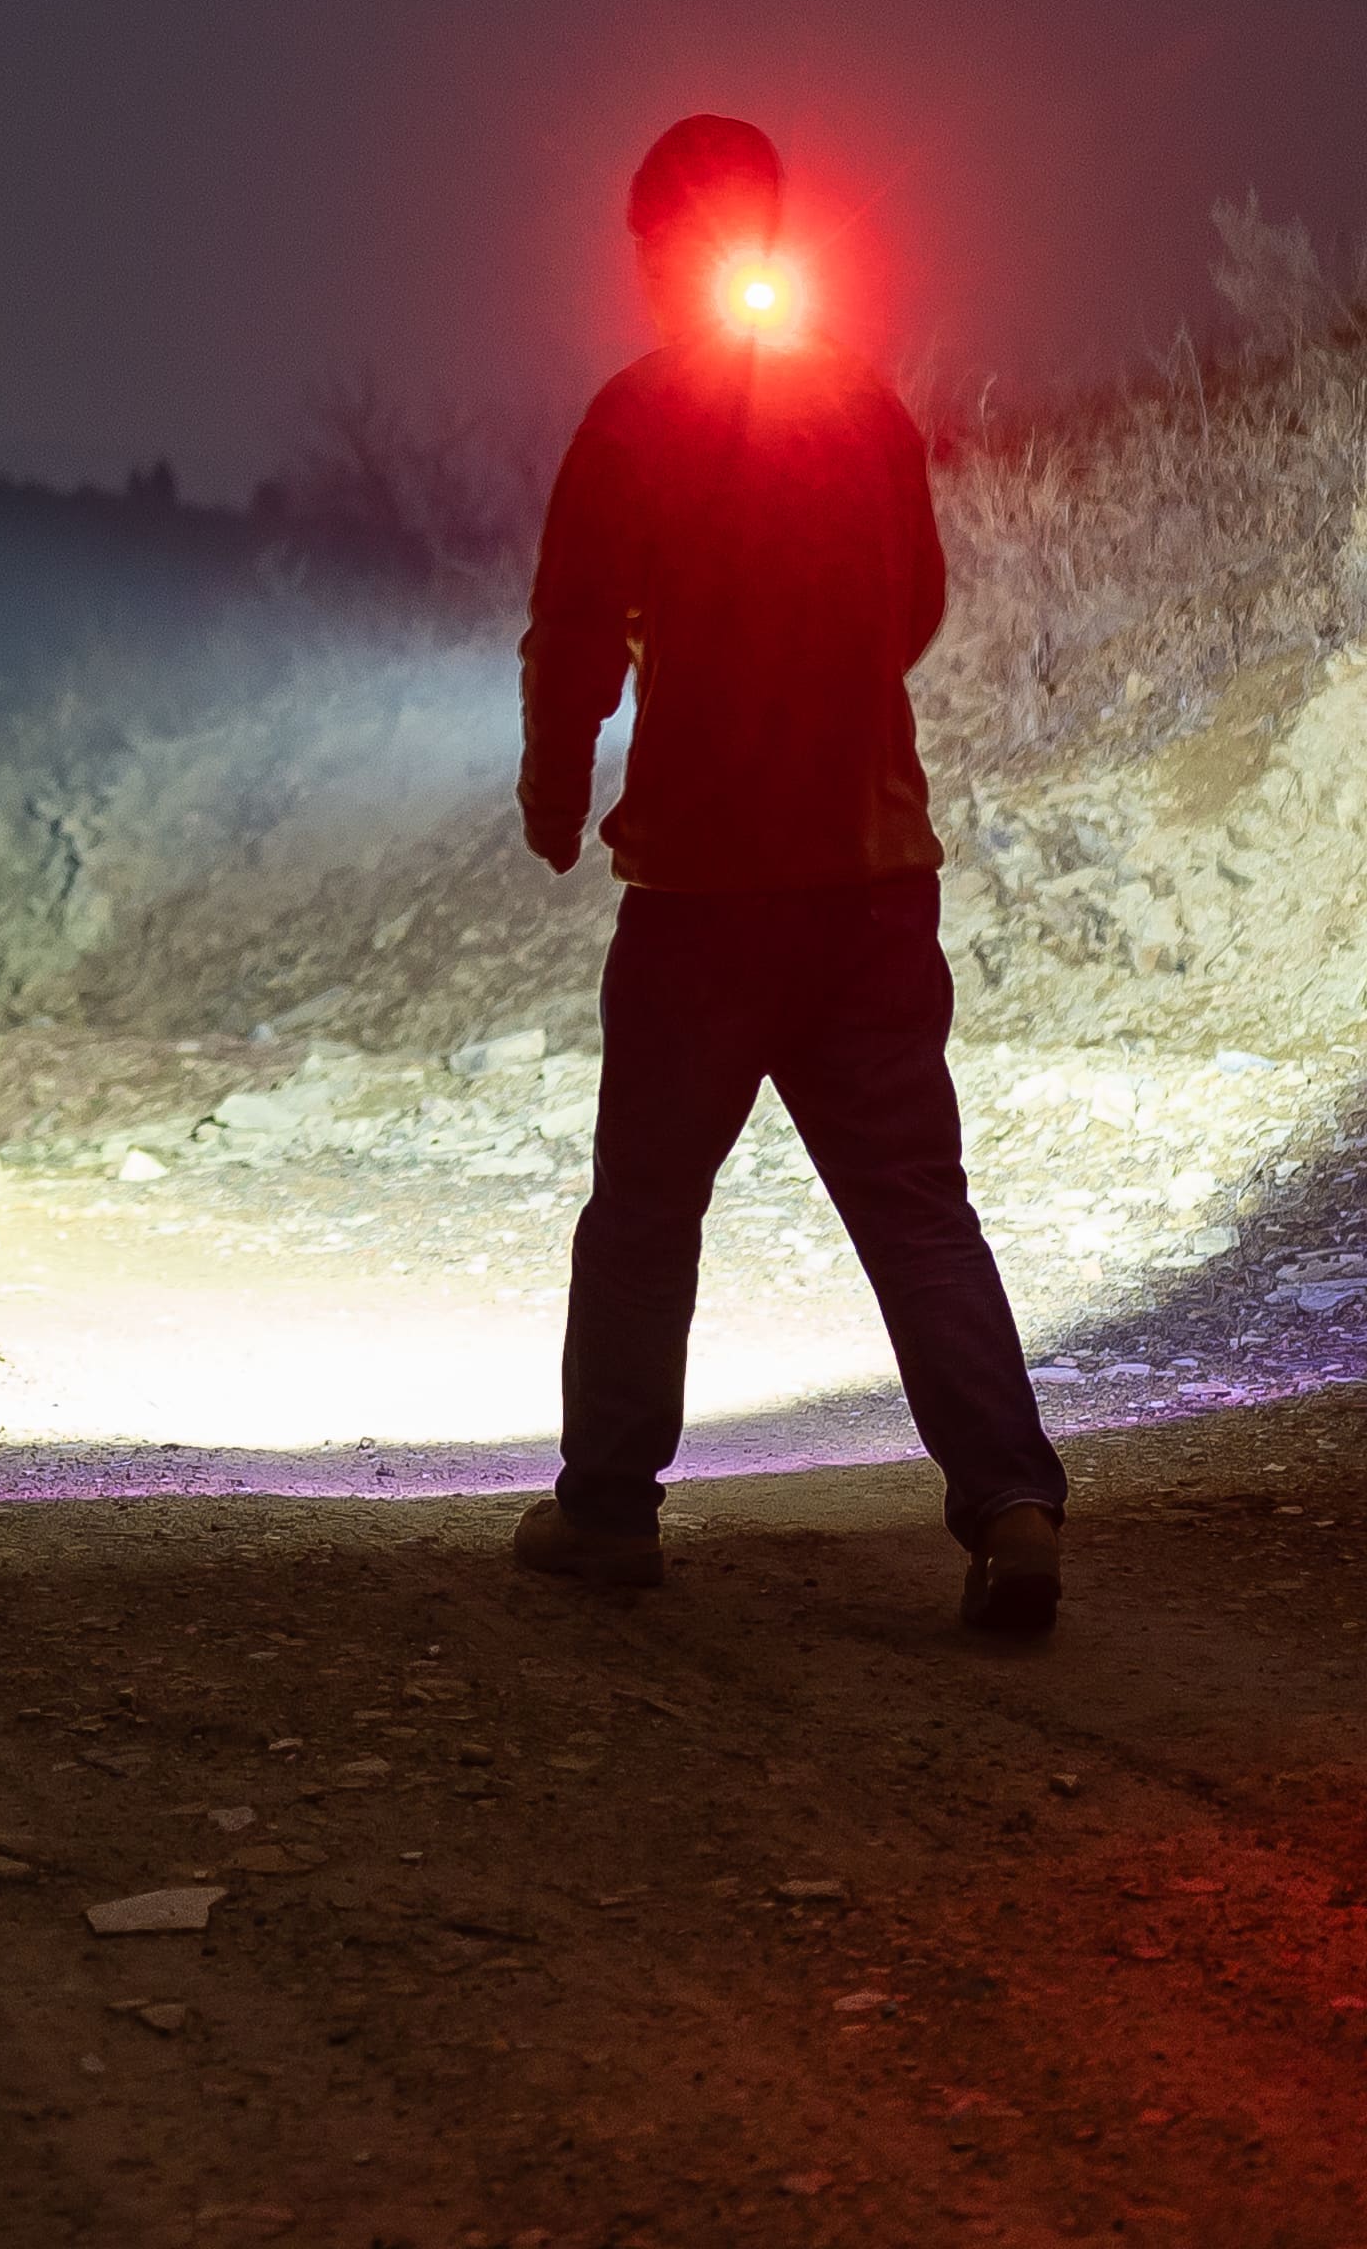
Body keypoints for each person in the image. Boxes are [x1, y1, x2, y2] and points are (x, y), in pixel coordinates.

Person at [509, 113, 1065, 1631]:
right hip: (872, 882)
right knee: (917, 1210)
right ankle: (1012, 1509)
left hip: (703, 896)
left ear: (654, 248)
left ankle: (608, 1513)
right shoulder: (865, 407)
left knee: (645, 1212)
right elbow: (917, 604)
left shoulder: (633, 417)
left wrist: (556, 794)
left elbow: (573, 636)